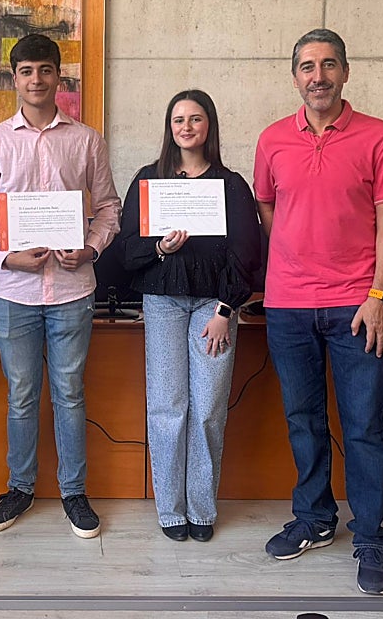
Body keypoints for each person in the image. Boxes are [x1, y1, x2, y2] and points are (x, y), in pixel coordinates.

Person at [254, 28, 383, 595]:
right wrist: (297, 256)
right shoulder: (272, 139)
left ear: (346, 71)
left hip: (356, 306)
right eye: (307, 67)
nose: (317, 76)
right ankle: (315, 519)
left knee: (366, 428)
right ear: (294, 76)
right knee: (303, 420)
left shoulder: (378, 136)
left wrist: (378, 297)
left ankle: (371, 538)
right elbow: (269, 209)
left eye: (328, 65)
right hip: (288, 305)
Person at [0, 33, 121, 539]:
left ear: (60, 77)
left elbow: (107, 209)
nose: (36, 80)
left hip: (74, 289)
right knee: (21, 395)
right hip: (13, 293)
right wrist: (5, 255)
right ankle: (20, 488)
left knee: (71, 393)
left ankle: (75, 492)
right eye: (27, 71)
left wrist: (92, 249)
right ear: (15, 79)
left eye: (45, 70)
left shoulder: (87, 139)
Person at [118, 89, 262, 543]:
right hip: (161, 303)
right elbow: (127, 248)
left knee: (207, 409)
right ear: (169, 127)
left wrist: (226, 309)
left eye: (195, 119)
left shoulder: (232, 185)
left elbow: (247, 254)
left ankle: (201, 508)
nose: (186, 127)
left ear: (209, 127)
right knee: (167, 407)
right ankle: (170, 508)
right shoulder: (148, 179)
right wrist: (160, 247)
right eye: (178, 119)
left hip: (213, 307)